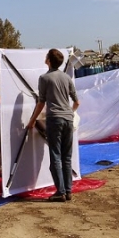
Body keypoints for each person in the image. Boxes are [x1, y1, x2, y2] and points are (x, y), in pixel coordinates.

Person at [27, 49, 80, 202]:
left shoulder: (44, 78)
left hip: (54, 120)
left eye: (46, 57)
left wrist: (32, 121)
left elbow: (41, 102)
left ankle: (60, 192)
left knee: (55, 156)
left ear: (49, 60)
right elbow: (77, 102)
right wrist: (69, 113)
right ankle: (68, 191)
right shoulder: (66, 77)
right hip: (68, 120)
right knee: (67, 157)